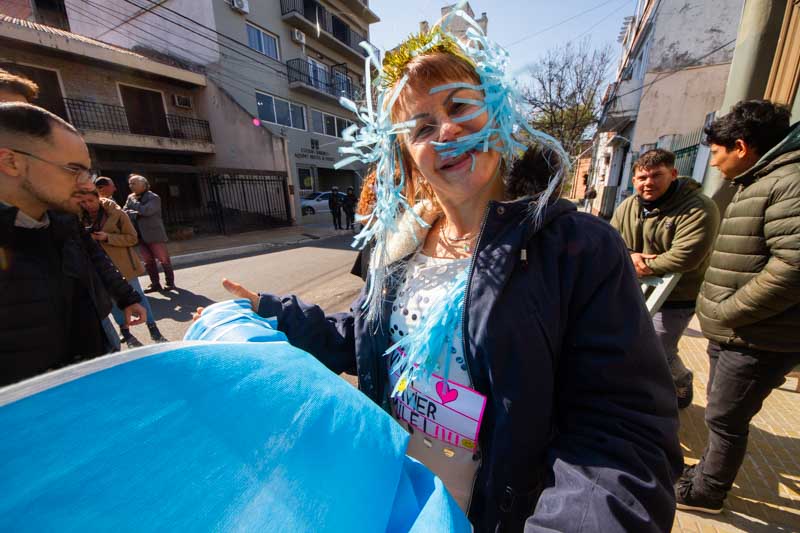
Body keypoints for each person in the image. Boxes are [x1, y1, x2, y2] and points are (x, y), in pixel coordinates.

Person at [196, 17, 682, 532]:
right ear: (407, 155)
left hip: (499, 515)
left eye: (459, 107)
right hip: (396, 500)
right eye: (422, 127)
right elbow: (370, 338)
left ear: (496, 111)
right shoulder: (401, 245)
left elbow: (621, 434)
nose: (446, 131)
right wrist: (271, 313)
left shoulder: (576, 248)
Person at [676, 100, 800, 514]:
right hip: (742, 333)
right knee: (721, 415)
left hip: (755, 337)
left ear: (742, 146)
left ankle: (707, 494)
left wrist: (729, 310)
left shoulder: (788, 183)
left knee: (725, 420)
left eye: (715, 152)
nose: (712, 163)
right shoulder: (763, 180)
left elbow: (794, 266)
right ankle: (705, 474)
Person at [0, 103, 145, 385]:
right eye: (73, 170)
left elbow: (97, 259)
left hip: (91, 373)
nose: (88, 186)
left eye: (87, 173)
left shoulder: (65, 220)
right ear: (11, 162)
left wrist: (127, 298)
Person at [611, 148, 720, 408]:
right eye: (641, 177)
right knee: (627, 345)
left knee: (657, 350)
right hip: (632, 291)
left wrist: (642, 265)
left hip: (677, 297)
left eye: (656, 176)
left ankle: (679, 381)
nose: (648, 183)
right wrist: (628, 256)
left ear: (673, 174)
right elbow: (611, 241)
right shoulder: (628, 206)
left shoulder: (698, 208)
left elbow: (686, 256)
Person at [81, 187, 167, 347]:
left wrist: (108, 237)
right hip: (99, 268)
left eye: (91, 201)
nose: (87, 205)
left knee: (138, 298)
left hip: (123, 266)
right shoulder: (79, 218)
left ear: (98, 198)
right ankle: (126, 332)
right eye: (83, 202)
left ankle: (153, 328)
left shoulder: (117, 214)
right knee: (112, 302)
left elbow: (132, 238)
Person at [124, 174, 175, 292]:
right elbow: (124, 212)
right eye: (130, 184)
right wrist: (136, 212)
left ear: (143, 184)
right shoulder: (130, 197)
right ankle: (155, 284)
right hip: (140, 235)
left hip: (154, 235)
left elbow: (147, 211)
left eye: (134, 183)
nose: (131, 186)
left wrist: (134, 205)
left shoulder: (153, 197)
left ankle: (170, 283)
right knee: (148, 261)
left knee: (164, 259)